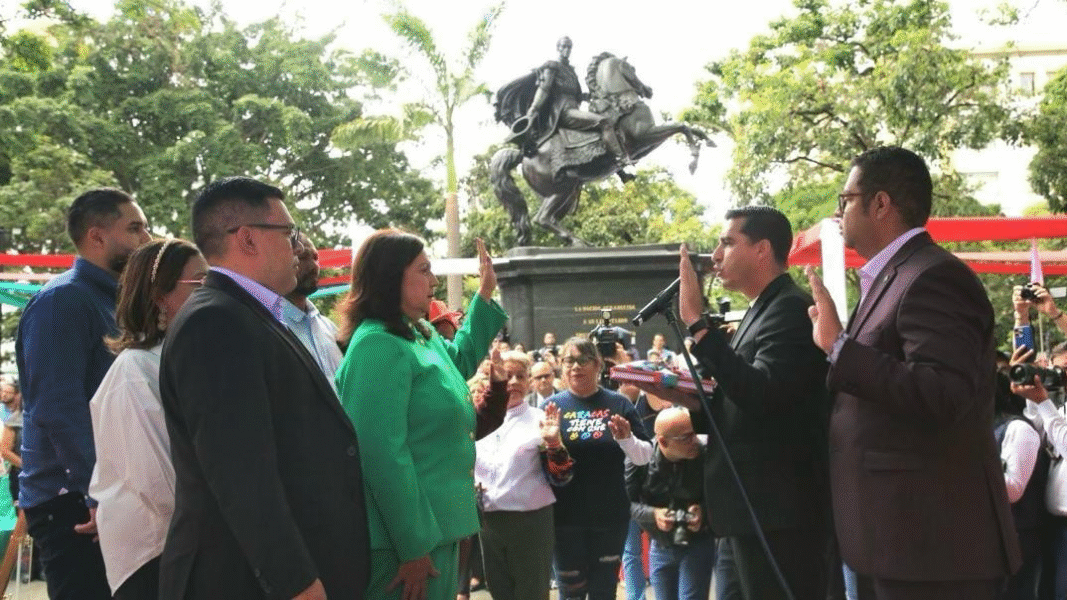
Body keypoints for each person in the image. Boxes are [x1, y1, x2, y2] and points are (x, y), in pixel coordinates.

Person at [807, 146, 1021, 599]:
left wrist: (839, 347)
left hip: (931, 547)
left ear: (881, 204)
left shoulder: (933, 276)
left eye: (845, 199)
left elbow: (942, 391)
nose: (839, 212)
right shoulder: (893, 276)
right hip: (895, 540)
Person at [159, 176, 369, 600]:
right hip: (246, 581)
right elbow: (240, 473)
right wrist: (295, 581)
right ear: (248, 239)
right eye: (289, 233)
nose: (298, 247)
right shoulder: (215, 321)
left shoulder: (250, 313)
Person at [336, 232, 508, 600]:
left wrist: (484, 294)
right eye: (424, 270)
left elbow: (460, 360)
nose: (433, 281)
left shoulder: (418, 332)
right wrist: (412, 546)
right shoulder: (377, 344)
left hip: (437, 531)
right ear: (390, 277)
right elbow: (382, 456)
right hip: (407, 544)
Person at [676, 205, 831, 600]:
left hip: (778, 513)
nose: (715, 256)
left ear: (762, 249)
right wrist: (692, 401)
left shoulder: (790, 307)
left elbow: (765, 396)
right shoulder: (759, 309)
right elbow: (741, 402)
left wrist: (698, 326)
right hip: (747, 511)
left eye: (727, 243)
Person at [15, 188, 150, 600]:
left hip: (106, 493)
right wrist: (97, 491)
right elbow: (58, 408)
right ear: (97, 236)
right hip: (74, 500)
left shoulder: (113, 302)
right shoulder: (64, 300)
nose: (147, 238)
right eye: (135, 228)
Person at [88, 238, 207, 599]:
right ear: (160, 297)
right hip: (156, 551)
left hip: (191, 543)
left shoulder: (183, 359)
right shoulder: (135, 370)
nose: (212, 292)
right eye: (200, 282)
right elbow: (157, 483)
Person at [545, 336, 653, 600]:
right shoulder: (551, 407)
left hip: (609, 516)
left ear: (598, 365)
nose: (575, 366)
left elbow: (645, 457)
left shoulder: (619, 404)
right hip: (564, 518)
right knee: (570, 594)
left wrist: (626, 439)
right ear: (561, 366)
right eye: (569, 361)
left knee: (603, 593)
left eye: (583, 360)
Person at [476, 350, 574, 600]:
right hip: (488, 523)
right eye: (507, 375)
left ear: (529, 381)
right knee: (500, 592)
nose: (514, 382)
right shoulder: (478, 420)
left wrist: (554, 444)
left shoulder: (540, 420)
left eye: (520, 376)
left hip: (530, 522)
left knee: (532, 594)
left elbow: (562, 476)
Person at [626, 407, 714, 600]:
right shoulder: (640, 459)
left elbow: (723, 496)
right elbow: (625, 504)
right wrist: (653, 515)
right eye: (685, 438)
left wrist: (703, 511)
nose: (694, 441)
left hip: (698, 540)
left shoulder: (705, 454)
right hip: (661, 543)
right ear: (663, 441)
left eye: (694, 433)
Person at [503, 36, 626, 165]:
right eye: (564, 46)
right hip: (564, 112)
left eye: (569, 47)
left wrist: (590, 95)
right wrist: (533, 108)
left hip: (574, 108)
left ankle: (608, 163)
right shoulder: (552, 66)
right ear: (558, 48)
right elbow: (544, 89)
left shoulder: (571, 71)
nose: (567, 49)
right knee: (604, 122)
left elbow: (577, 95)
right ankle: (619, 158)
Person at [1012, 341, 1067, 600]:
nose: (1061, 375)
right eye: (1058, 369)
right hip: (1052, 523)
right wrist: (1032, 396)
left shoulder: (1053, 408)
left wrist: (1043, 402)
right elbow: (1037, 431)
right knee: (1046, 591)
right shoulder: (1060, 408)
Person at [283, 232, 344, 387]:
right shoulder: (273, 328)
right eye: (303, 258)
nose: (313, 266)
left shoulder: (329, 328)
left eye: (315, 258)